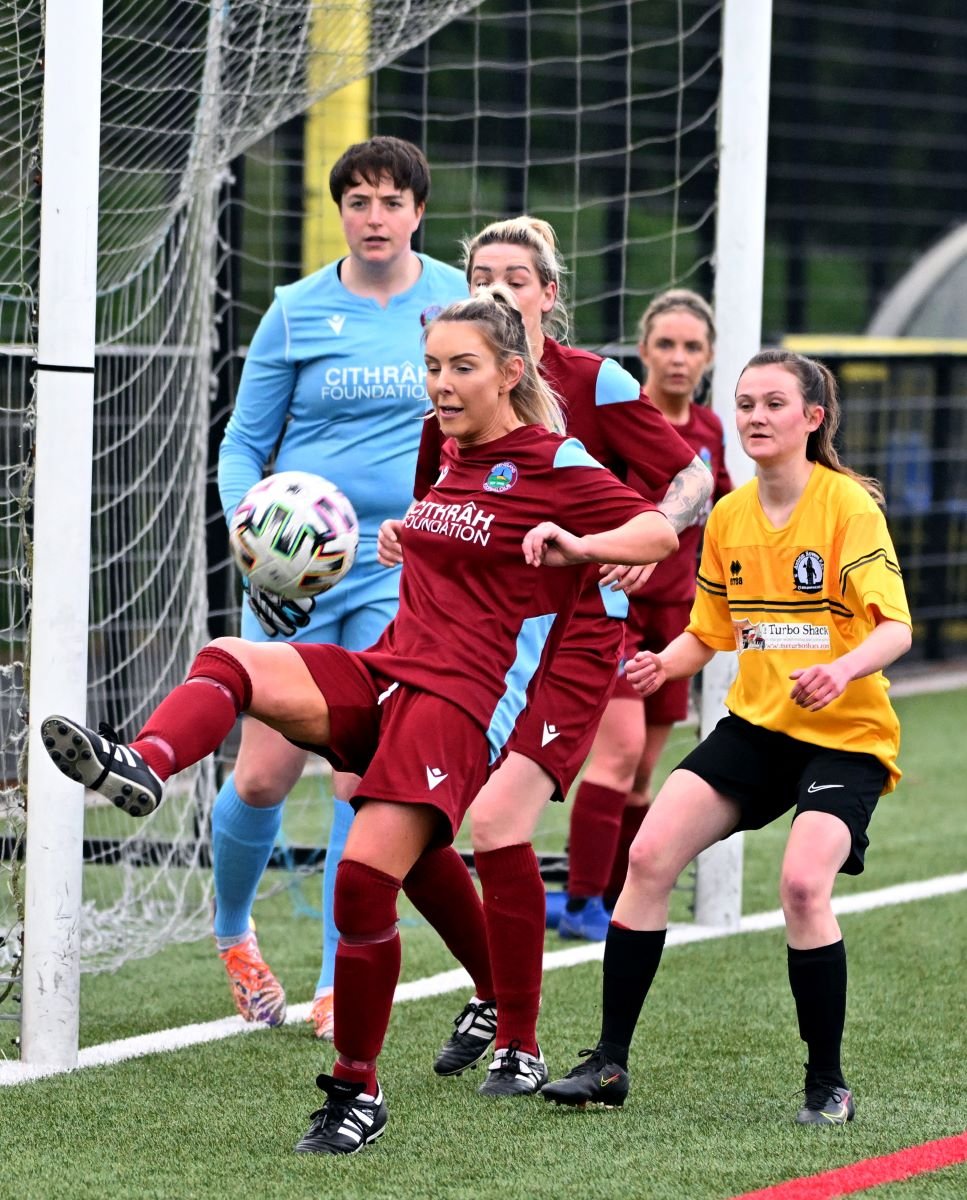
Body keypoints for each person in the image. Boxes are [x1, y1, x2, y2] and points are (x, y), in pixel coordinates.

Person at [40, 286, 678, 1154]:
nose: (440, 384)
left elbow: (654, 533)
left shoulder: (549, 456)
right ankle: (146, 761)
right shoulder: (440, 444)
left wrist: (580, 546)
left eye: (461, 368)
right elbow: (443, 532)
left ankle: (355, 1090)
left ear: (510, 373)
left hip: (460, 704)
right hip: (387, 668)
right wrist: (400, 536)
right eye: (431, 367)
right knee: (229, 659)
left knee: (365, 880)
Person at [378, 218, 713, 1096]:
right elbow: (441, 516)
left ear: (547, 295)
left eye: (515, 277)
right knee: (413, 813)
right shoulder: (449, 398)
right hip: (471, 640)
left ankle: (518, 1034)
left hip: (574, 635)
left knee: (499, 820)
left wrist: (640, 536)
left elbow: (689, 480)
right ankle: (498, 989)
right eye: (481, 273)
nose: (497, 288)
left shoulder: (592, 381)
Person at [541, 349, 912, 1125]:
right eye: (744, 403)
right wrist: (655, 665)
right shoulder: (731, 514)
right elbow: (708, 635)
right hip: (757, 727)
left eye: (774, 403)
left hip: (843, 733)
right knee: (646, 858)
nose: (754, 417)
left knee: (803, 886)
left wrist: (839, 672)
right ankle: (609, 1064)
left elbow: (895, 630)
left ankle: (827, 1085)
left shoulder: (848, 508)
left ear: (812, 419)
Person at [213, 136, 468, 1039]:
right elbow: (243, 445)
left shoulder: (453, 304)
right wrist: (256, 545)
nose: (374, 216)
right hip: (301, 580)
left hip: (406, 573)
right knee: (265, 773)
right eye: (357, 200)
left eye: (390, 201)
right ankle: (234, 937)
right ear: (341, 212)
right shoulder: (294, 310)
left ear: (417, 212)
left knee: (365, 782)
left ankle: (332, 981)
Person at [558, 289, 733, 938]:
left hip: (678, 618)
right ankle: (579, 903)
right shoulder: (621, 418)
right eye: (665, 344)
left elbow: (724, 512)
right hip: (614, 609)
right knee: (618, 750)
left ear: (709, 356)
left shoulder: (711, 431)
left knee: (641, 770)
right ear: (642, 349)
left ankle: (609, 898)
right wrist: (623, 545)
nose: (678, 358)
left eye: (691, 347)